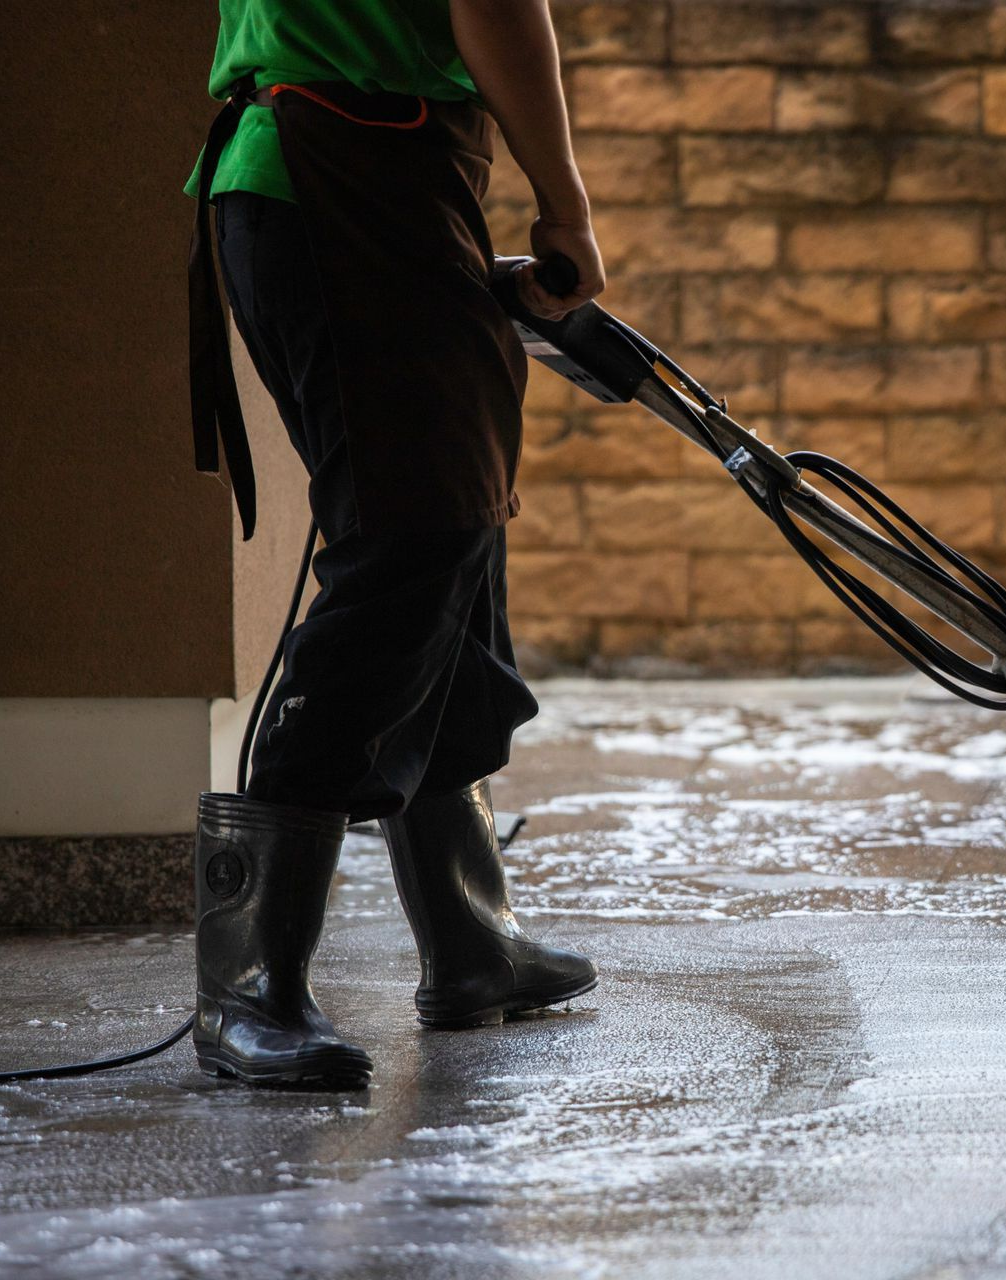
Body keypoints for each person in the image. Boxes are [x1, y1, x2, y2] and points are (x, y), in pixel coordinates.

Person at [185, 0, 608, 1089]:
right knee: (416, 538)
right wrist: (566, 204)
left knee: (455, 526)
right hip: (339, 175)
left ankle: (472, 937)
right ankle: (246, 981)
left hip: (360, 177)